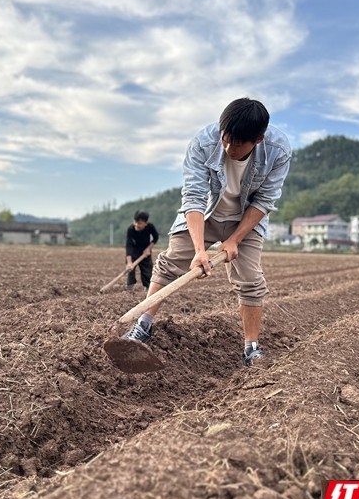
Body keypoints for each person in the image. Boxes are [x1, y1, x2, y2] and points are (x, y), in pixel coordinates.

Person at [120, 98, 292, 366]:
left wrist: (234, 240)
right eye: (225, 138)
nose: (227, 147)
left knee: (250, 281)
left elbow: (264, 201)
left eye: (237, 144)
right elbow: (194, 197)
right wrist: (200, 250)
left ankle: (252, 349)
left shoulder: (278, 150)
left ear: (257, 140)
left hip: (245, 219)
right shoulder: (203, 143)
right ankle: (142, 327)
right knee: (168, 264)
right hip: (206, 215)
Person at [125, 210, 159, 292]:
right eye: (135, 222)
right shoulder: (130, 229)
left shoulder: (150, 227)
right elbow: (128, 245)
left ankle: (148, 289)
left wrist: (149, 248)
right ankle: (130, 289)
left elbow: (156, 237)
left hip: (145, 251)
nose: (137, 225)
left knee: (147, 271)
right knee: (130, 270)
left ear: (145, 223)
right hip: (134, 251)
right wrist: (129, 262)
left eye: (139, 223)